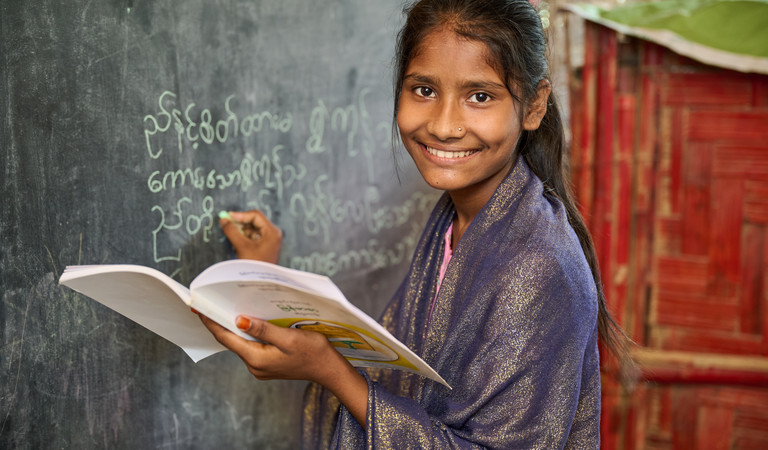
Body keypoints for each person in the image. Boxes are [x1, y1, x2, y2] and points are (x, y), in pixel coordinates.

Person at [195, 0, 628, 447]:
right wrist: (265, 276)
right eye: (423, 90)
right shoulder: (458, 219)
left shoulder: (537, 266)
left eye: (480, 96)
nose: (443, 125)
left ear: (534, 106)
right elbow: (401, 372)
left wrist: (331, 373)